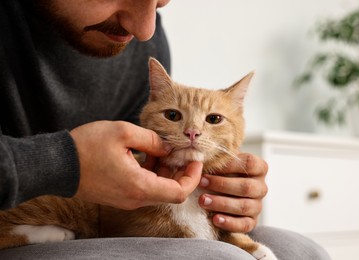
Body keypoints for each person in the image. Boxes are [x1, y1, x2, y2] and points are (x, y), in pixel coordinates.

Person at [0, 0, 330, 259]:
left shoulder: (143, 39)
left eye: (159, 4)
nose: (145, 29)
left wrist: (235, 202)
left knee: (303, 250)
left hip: (109, 225)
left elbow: (140, 159)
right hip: (43, 214)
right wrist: (66, 163)